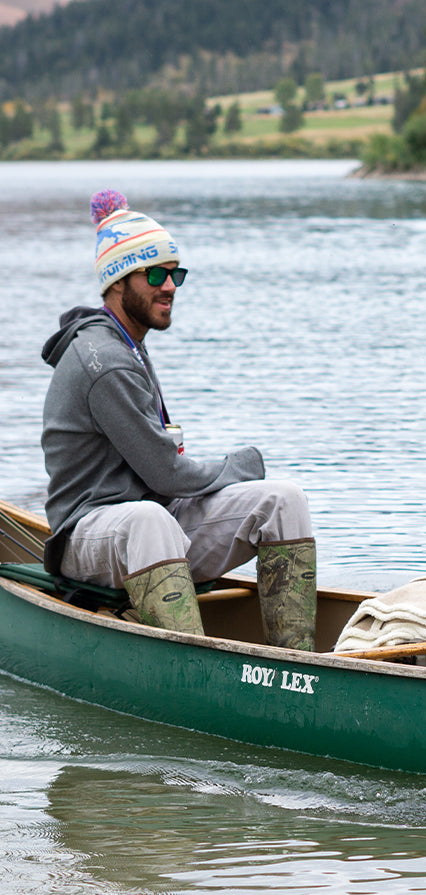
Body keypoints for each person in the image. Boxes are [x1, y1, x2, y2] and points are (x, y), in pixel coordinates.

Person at [39, 189, 316, 649]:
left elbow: (162, 478)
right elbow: (166, 473)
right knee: (149, 519)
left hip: (154, 523)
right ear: (116, 282)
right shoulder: (104, 359)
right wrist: (242, 464)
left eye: (175, 273)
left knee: (284, 500)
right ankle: (192, 674)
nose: (169, 286)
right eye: (154, 274)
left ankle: (300, 662)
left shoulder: (128, 343)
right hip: (86, 533)